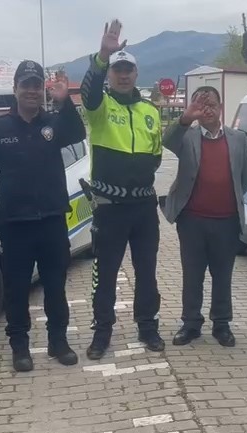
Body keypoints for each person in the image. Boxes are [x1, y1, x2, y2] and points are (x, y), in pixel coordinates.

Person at [0, 60, 86, 372]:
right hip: (15, 225)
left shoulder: (52, 123)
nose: (31, 90)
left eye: (36, 85)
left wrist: (64, 99)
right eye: (25, 84)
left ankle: (58, 342)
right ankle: (20, 346)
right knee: (17, 290)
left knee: (56, 286)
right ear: (15, 89)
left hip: (52, 220)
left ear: (42, 89)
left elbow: (78, 132)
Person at [81, 19, 164, 360]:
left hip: (144, 208)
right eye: (118, 70)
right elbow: (87, 91)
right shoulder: (99, 107)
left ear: (136, 74)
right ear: (111, 74)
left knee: (147, 271)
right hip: (107, 206)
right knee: (106, 272)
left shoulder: (150, 111)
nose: (124, 75)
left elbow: (157, 155)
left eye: (128, 70)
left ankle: (147, 326)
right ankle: (102, 332)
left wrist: (138, 179)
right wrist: (103, 54)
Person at [161, 86, 247, 348]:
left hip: (226, 221)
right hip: (192, 221)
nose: (207, 109)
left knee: (223, 275)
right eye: (201, 105)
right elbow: (167, 141)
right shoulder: (187, 137)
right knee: (193, 275)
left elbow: (246, 178)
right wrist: (186, 117)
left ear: (221, 107)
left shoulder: (238, 139)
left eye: (211, 104)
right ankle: (190, 324)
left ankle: (222, 325)